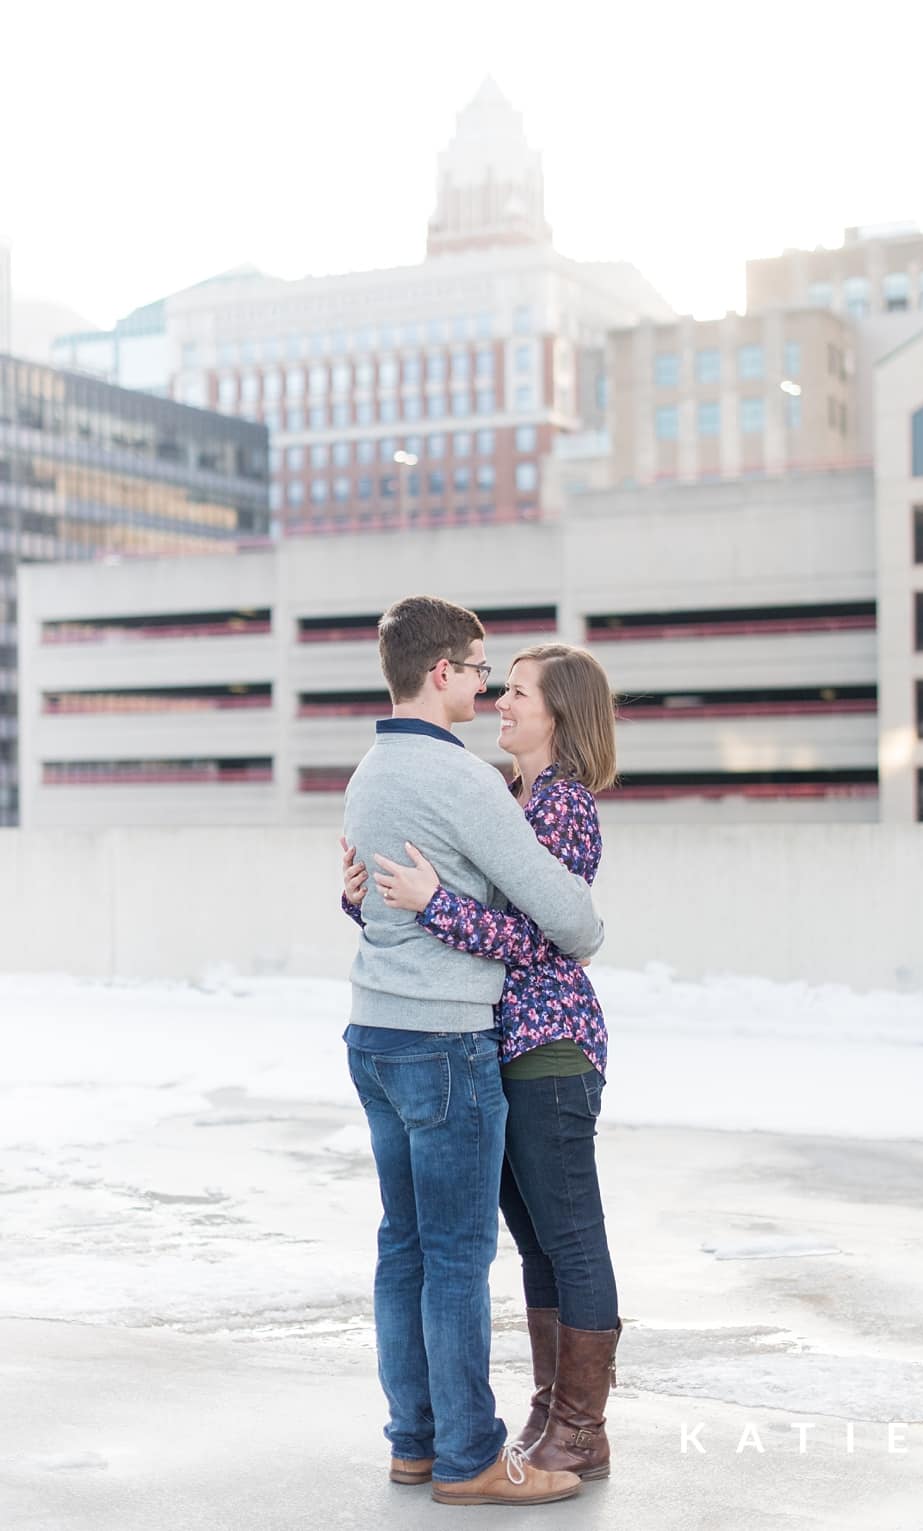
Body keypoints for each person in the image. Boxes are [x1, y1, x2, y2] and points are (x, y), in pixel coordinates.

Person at [340, 596, 604, 1507]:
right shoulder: (466, 783)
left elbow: (386, 900)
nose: (487, 685)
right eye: (480, 668)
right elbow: (572, 916)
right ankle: (469, 1457)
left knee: (402, 1249)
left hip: (372, 1034)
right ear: (441, 672)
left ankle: (414, 1444)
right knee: (455, 1256)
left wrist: (415, 900)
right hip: (447, 1039)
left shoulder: (368, 772)